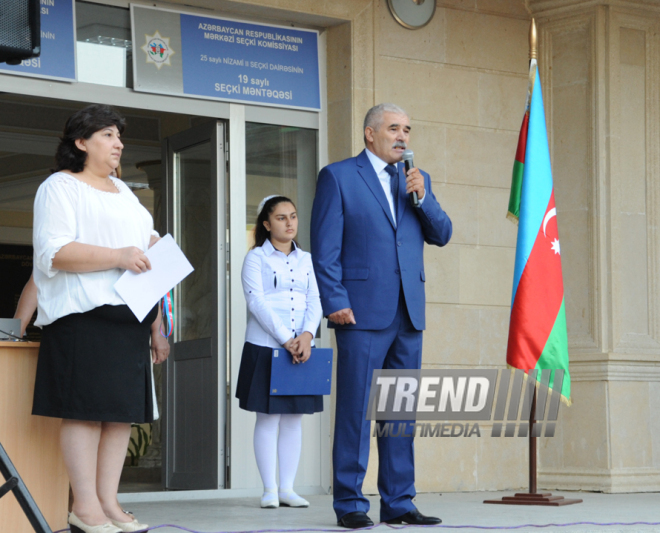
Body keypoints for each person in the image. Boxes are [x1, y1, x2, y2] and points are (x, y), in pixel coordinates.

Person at [311, 103, 453, 528]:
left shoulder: (416, 179)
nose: (402, 136)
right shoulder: (338, 176)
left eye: (408, 129)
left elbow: (442, 233)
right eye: (394, 128)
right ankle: (351, 504)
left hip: (408, 313)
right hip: (358, 313)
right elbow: (325, 248)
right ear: (370, 134)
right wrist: (334, 300)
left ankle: (399, 502)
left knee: (400, 414)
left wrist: (422, 198)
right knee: (356, 410)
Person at [31, 105, 169, 533]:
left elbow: (148, 254)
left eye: (119, 136)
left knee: (119, 414)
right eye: (108, 135)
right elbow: (54, 253)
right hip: (83, 317)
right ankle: (84, 507)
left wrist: (157, 324)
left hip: (130, 317)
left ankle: (108, 502)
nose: (119, 143)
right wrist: (119, 256)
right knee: (87, 413)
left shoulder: (125, 193)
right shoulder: (60, 187)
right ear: (81, 142)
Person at [236, 195, 323, 509]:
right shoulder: (255, 258)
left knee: (293, 419)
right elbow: (256, 303)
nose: (290, 223)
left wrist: (307, 335)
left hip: (302, 347)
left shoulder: (308, 260)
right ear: (266, 223)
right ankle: (269, 490)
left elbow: (315, 299)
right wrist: (288, 338)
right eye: (282, 217)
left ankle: (288, 489)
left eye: (294, 217)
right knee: (268, 417)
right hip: (266, 347)